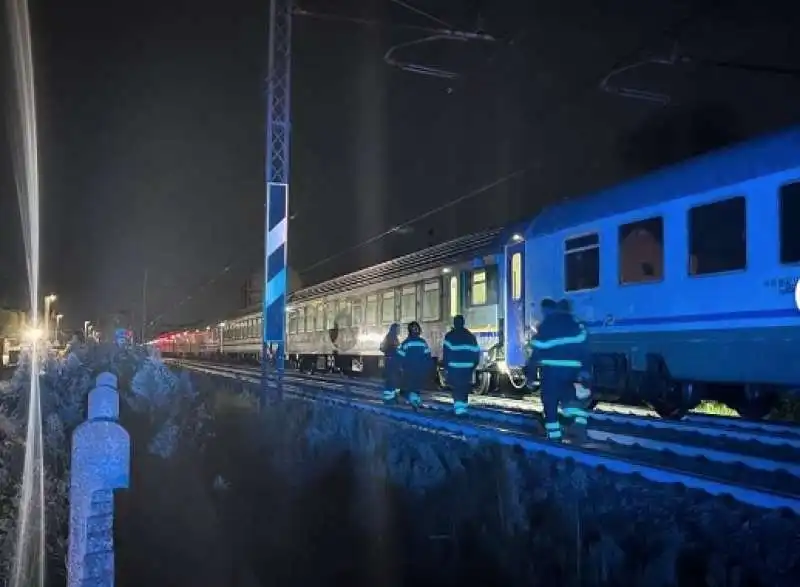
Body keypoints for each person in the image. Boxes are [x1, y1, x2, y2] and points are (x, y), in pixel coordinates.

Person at [525, 298, 592, 442]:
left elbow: (536, 352)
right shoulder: (577, 325)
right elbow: (586, 350)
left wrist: (530, 376)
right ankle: (578, 425)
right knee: (570, 399)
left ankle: (555, 437)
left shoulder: (547, 324)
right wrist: (585, 370)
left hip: (551, 372)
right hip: (572, 372)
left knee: (550, 404)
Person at [442, 315, 481, 415]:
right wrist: (473, 366)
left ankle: (459, 410)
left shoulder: (449, 336)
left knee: (457, 388)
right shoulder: (470, 336)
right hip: (467, 368)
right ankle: (463, 408)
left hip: (454, 367)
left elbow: (446, 353)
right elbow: (476, 353)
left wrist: (446, 367)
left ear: (454, 324)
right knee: (464, 388)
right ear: (463, 323)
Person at [396, 321, 431, 409]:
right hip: (420, 368)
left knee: (410, 385)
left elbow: (399, 355)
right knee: (417, 384)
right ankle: (416, 400)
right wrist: (427, 367)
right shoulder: (423, 342)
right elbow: (427, 355)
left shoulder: (406, 342)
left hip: (408, 368)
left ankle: (413, 400)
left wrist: (399, 366)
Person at [380, 323, 401, 402]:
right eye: (398, 329)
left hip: (391, 361)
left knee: (392, 380)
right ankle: (389, 399)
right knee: (392, 380)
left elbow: (382, 348)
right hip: (392, 361)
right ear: (395, 329)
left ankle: (391, 397)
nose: (399, 331)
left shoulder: (391, 337)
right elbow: (397, 350)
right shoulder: (392, 338)